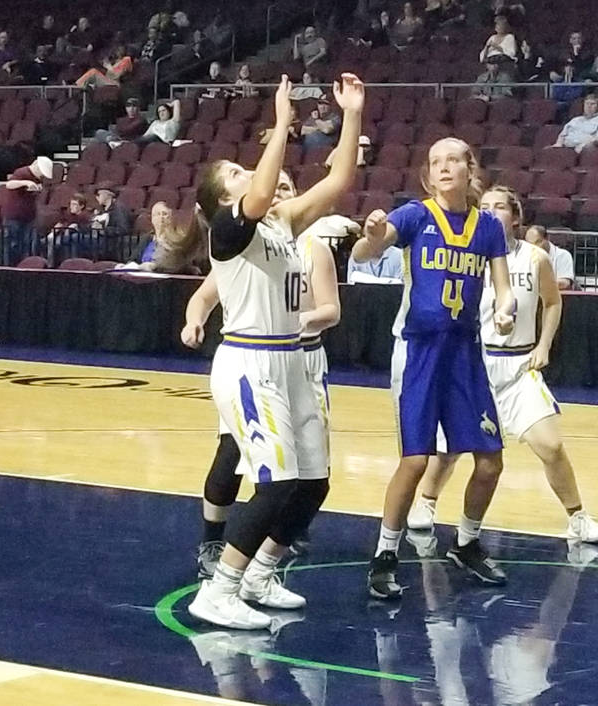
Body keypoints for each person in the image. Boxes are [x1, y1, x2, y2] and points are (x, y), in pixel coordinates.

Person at [173, 73, 363, 629]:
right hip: (249, 363)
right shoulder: (229, 233)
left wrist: (350, 114)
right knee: (275, 481)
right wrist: (281, 123)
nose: (247, 173)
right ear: (223, 199)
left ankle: (261, 572)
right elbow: (261, 191)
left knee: (314, 481)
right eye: (235, 172)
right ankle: (219, 589)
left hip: (293, 362)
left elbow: (341, 179)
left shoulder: (280, 222)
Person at [350, 137, 515, 600]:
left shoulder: (487, 228)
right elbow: (366, 252)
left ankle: (466, 542)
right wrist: (372, 232)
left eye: (453, 160)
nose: (444, 168)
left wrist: (506, 308)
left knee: (490, 462)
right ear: (428, 173)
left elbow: (503, 288)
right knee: (416, 460)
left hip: (465, 352)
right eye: (435, 162)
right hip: (419, 350)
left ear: (469, 168)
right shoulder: (414, 215)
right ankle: (384, 553)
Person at [407, 187, 598, 549]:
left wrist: (544, 344)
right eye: (484, 207)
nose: (491, 212)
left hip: (518, 367)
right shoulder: (465, 254)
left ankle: (578, 517)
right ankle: (426, 502)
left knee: (551, 446)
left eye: (500, 207)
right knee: (448, 449)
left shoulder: (535, 258)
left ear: (515, 217)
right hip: (475, 364)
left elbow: (554, 302)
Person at [183, 170, 343, 580]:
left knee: (306, 476)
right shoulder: (243, 240)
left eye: (287, 188)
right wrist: (194, 321)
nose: (278, 192)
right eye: (276, 187)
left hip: (301, 360)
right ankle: (216, 545)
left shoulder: (309, 245)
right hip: (255, 359)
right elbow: (204, 296)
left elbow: (332, 310)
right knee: (238, 458)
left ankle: (266, 554)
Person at [0, 156, 54, 265]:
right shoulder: (21, 172)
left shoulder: (38, 178)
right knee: (12, 243)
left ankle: (25, 265)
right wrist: (25, 183)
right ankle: (10, 266)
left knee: (27, 244)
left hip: (29, 216)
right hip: (14, 216)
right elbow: (9, 185)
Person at [46, 192, 91, 266]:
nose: (71, 207)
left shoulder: (84, 216)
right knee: (50, 238)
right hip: (62, 233)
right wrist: (55, 229)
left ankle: (69, 264)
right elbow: (61, 223)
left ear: (81, 206)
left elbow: (86, 229)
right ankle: (50, 265)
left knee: (61, 240)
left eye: (74, 204)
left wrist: (75, 227)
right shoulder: (68, 214)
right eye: (71, 204)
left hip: (75, 236)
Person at [524, 225, 575, 290]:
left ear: (547, 239)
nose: (534, 247)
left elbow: (565, 283)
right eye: (530, 244)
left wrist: (537, 285)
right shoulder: (524, 256)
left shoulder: (563, 255)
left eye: (537, 242)